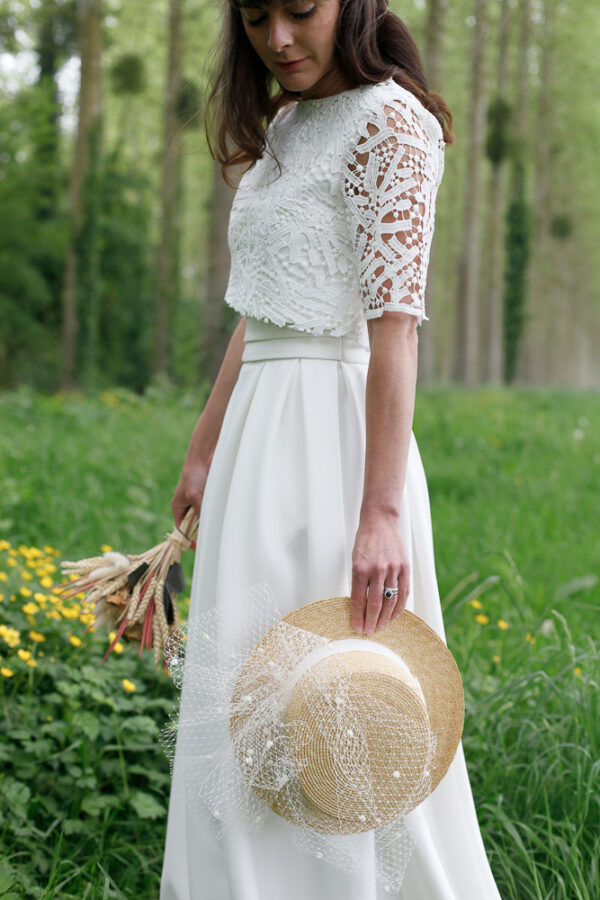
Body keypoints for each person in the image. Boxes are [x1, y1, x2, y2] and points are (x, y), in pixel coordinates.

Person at [160, 0, 503, 897]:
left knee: (340, 703)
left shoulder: (394, 124)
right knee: (244, 705)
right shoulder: (285, 127)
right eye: (255, 15)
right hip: (253, 451)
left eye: (301, 10)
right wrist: (204, 450)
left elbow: (397, 328)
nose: (278, 38)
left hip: (337, 452)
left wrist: (381, 510)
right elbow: (261, 309)